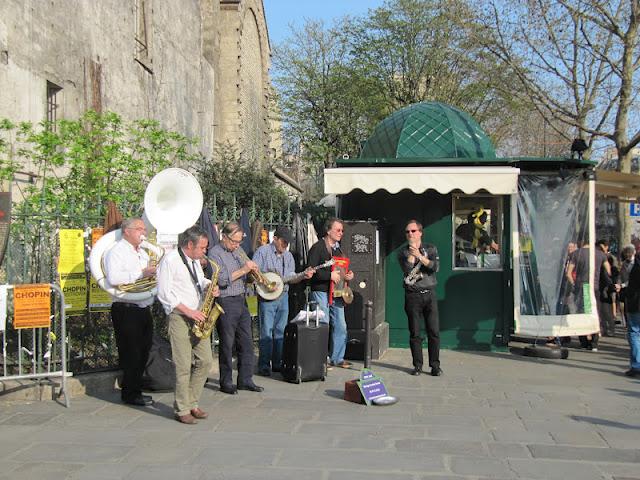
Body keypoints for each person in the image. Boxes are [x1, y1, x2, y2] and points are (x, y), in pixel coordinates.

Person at [157, 225, 216, 424]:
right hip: (180, 316)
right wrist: (189, 311)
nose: (204, 251)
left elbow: (198, 281)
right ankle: (182, 409)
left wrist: (209, 286)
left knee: (206, 361)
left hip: (198, 315)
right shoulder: (170, 260)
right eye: (202, 247)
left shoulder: (194, 261)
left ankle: (192, 401)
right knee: (183, 365)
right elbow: (164, 294)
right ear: (189, 244)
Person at [104, 218, 156, 406]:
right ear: (127, 231)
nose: (144, 233)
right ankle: (130, 393)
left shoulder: (142, 252)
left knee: (143, 350)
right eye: (140, 229)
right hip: (125, 308)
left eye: (144, 229)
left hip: (142, 306)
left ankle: (136, 389)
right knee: (131, 352)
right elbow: (115, 278)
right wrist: (142, 273)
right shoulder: (117, 251)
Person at [210, 222, 264, 394]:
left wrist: (252, 275)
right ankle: (226, 381)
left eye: (239, 242)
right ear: (224, 237)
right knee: (227, 343)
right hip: (226, 301)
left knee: (247, 342)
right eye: (234, 241)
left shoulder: (237, 252)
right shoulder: (215, 253)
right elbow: (223, 280)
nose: (237, 245)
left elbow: (244, 277)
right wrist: (244, 269)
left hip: (242, 299)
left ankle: (245, 379)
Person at [252, 226, 314, 376]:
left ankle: (278, 363)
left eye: (287, 243)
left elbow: (290, 278)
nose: (285, 245)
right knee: (266, 331)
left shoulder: (288, 256)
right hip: (267, 297)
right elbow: (254, 272)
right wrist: (266, 284)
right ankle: (264, 365)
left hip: (283, 296)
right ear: (275, 239)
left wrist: (302, 276)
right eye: (283, 242)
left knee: (280, 331)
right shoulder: (263, 252)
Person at [307, 217, 354, 369]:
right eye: (338, 230)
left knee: (341, 325)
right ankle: (321, 359)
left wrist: (347, 276)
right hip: (321, 291)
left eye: (342, 230)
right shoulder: (317, 248)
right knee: (323, 325)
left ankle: (337, 358)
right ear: (328, 230)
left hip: (337, 293)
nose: (341, 233)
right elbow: (311, 272)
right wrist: (329, 276)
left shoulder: (338, 250)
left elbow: (341, 271)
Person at [397, 219, 442, 377]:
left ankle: (435, 366)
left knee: (434, 331)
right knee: (415, 333)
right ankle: (417, 365)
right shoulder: (402, 252)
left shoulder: (430, 248)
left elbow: (435, 267)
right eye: (407, 231)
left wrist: (420, 256)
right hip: (413, 296)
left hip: (429, 294)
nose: (410, 234)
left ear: (420, 233)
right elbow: (408, 271)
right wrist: (412, 255)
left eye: (413, 231)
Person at [566, 240, 611, 351]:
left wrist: (574, 283)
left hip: (581, 287)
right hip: (594, 288)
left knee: (581, 313)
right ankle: (594, 342)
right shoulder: (600, 254)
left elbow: (568, 273)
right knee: (595, 313)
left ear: (581, 242)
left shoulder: (576, 254)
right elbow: (608, 270)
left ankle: (584, 340)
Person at [617, 251, 640, 376]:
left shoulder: (636, 267)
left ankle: (637, 365)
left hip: (636, 304)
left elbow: (632, 287)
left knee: (635, 333)